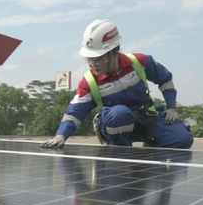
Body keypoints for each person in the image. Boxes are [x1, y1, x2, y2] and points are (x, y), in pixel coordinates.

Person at [41, 19, 193, 149]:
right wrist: (60, 136)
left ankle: (149, 153)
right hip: (115, 123)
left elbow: (165, 80)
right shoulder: (89, 81)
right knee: (119, 113)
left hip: (145, 118)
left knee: (182, 139)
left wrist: (172, 107)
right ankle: (121, 155)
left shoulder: (140, 62)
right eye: (90, 59)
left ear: (115, 52)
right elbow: (74, 113)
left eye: (99, 58)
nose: (94, 64)